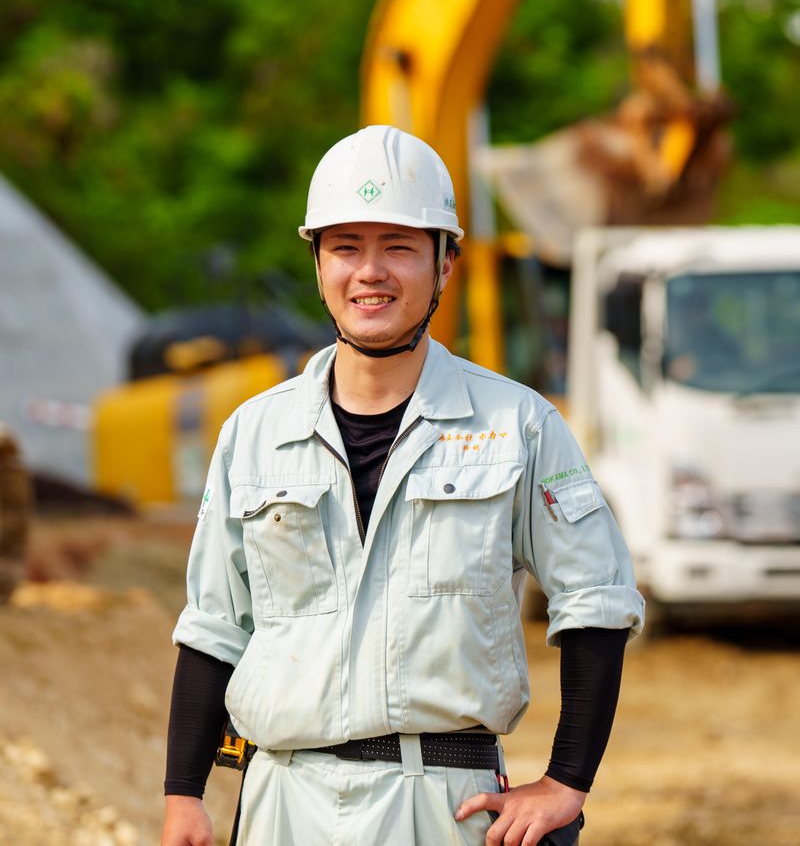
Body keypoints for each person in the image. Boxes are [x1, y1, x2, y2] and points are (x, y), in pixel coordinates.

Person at [161, 125, 644, 846]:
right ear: (318, 261)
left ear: (446, 261)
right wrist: (184, 795)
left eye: (400, 246)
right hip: (283, 801)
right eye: (346, 246)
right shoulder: (252, 434)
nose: (370, 272)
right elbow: (213, 625)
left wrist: (567, 780)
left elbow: (596, 600)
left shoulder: (519, 424)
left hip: (443, 807)